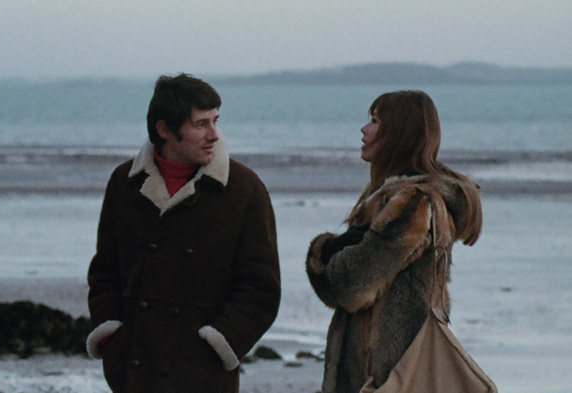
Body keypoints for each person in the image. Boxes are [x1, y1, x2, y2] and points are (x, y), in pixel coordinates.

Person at [86, 73, 281, 393]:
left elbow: (261, 289)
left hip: (203, 376)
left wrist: (218, 345)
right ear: (165, 130)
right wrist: (111, 336)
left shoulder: (244, 189)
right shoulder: (124, 182)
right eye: (201, 124)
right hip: (135, 371)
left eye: (215, 121)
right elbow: (105, 271)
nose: (214, 135)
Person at [305, 90, 483, 392]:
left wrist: (325, 250)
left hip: (390, 373)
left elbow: (350, 285)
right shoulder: (387, 198)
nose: (364, 130)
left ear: (398, 133)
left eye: (374, 121)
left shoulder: (412, 204)